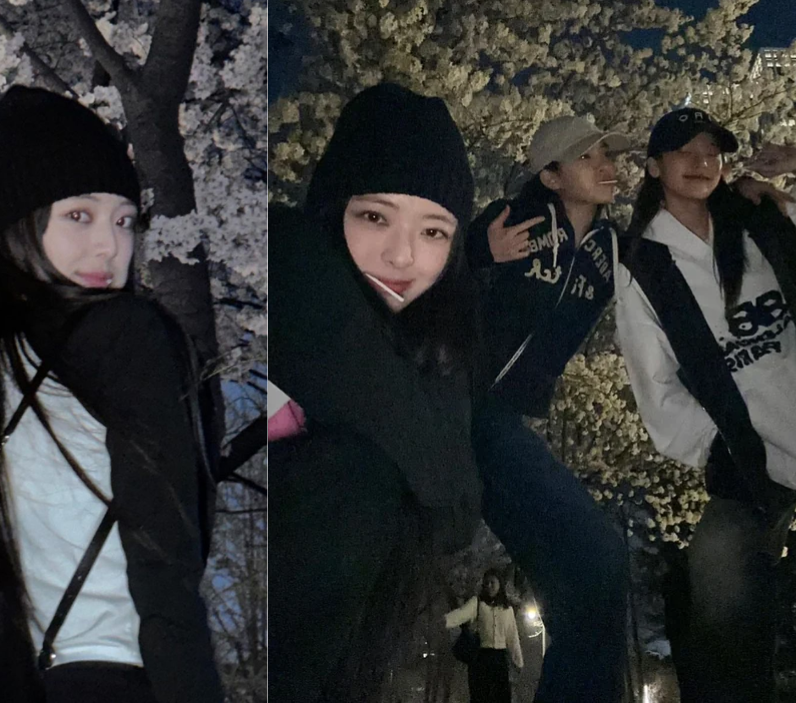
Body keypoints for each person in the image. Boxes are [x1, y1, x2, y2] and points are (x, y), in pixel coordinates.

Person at [0, 85, 224, 703]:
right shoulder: (128, 338)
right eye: (79, 216)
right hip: (106, 677)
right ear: (20, 224)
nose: (109, 247)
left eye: (124, 220)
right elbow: (164, 569)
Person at [615, 107, 796, 702]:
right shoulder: (645, 268)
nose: (701, 161)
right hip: (753, 460)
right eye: (684, 151)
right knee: (719, 578)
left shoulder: (765, 221)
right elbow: (658, 388)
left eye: (712, 150)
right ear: (653, 168)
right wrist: (720, 448)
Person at [268, 82, 483, 703]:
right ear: (335, 206)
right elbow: (451, 495)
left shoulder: (432, 335)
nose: (402, 255)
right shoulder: (291, 260)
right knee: (357, 475)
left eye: (435, 232)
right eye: (374, 216)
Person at [462, 115, 633, 703]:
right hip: (461, 408)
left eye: (610, 154)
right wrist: (476, 253)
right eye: (589, 157)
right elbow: (425, 272)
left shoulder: (612, 251)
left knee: (591, 574)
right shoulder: (516, 220)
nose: (608, 166)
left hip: (504, 422)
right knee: (596, 557)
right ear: (552, 175)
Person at [445, 570, 524, 703]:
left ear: (500, 584)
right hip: (482, 658)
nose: (489, 586)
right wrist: (445, 620)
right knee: (481, 696)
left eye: (492, 582)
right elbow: (461, 613)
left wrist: (518, 661)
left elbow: (512, 636)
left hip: (499, 659)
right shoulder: (477, 603)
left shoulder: (507, 609)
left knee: (502, 696)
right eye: (486, 583)